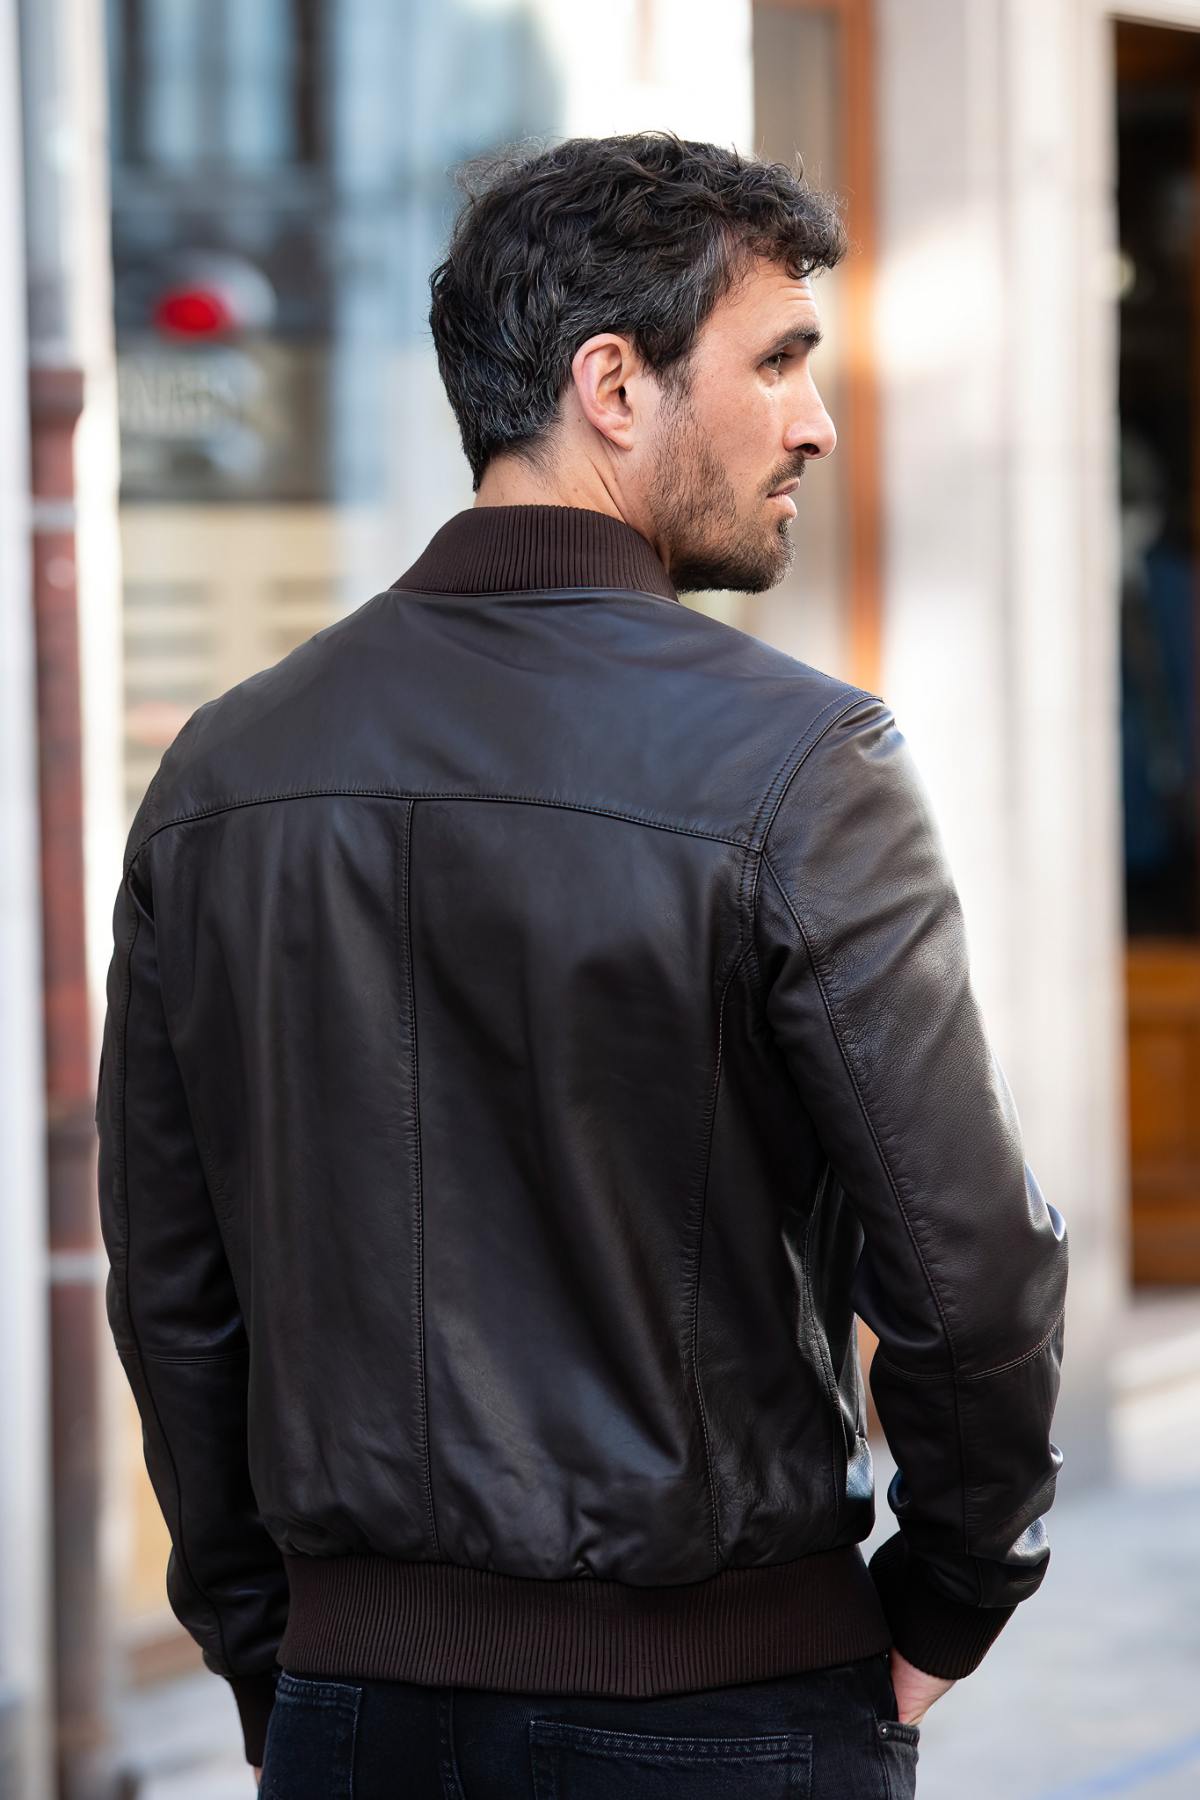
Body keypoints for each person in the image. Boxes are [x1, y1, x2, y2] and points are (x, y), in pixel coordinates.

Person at [95, 130, 1068, 1800]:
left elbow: (175, 1294)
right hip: (720, 1709)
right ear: (612, 385)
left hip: (348, 1716)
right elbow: (966, 1267)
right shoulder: (801, 764)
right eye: (776, 362)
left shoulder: (223, 772)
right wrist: (951, 1597)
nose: (816, 423)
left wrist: (280, 1654)